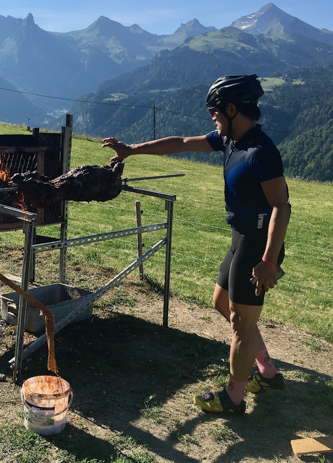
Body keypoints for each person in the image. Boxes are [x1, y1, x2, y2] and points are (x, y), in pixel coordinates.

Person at [102, 74, 290, 414]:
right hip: (241, 237)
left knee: (241, 323)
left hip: (259, 245)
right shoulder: (230, 140)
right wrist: (132, 150)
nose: (211, 116)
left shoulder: (262, 152)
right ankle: (266, 370)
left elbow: (281, 206)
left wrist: (270, 261)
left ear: (233, 109)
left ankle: (234, 397)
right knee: (222, 302)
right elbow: (181, 143)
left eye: (215, 110)